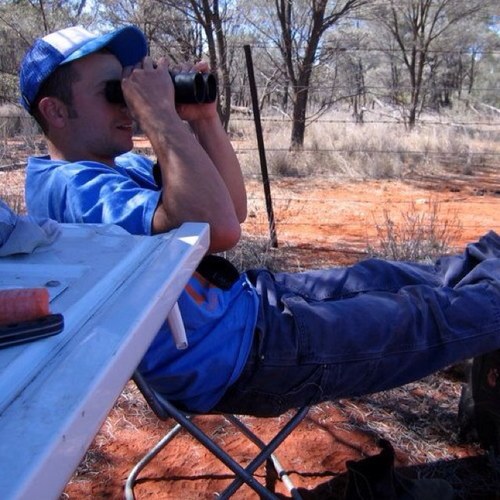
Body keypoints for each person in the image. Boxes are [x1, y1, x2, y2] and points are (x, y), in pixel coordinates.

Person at [19, 26, 500, 450]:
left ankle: (491, 259)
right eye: (114, 90)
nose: (130, 100)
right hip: (235, 358)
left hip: (240, 309)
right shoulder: (71, 189)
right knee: (418, 318)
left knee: (383, 275)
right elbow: (222, 230)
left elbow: (230, 206)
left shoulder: (111, 166)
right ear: (55, 111)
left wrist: (201, 118)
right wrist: (161, 118)